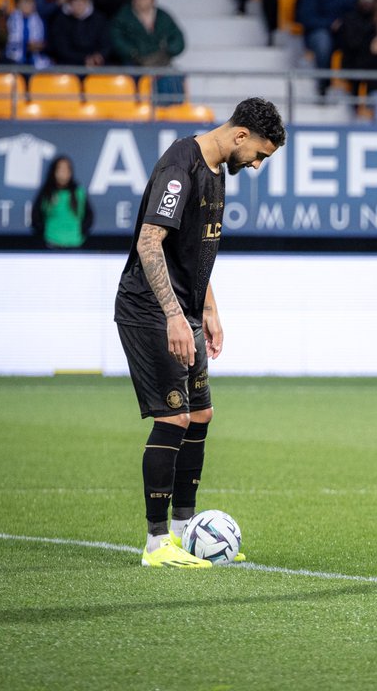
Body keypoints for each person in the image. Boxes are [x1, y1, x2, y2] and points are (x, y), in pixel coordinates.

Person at [114, 98, 286, 569]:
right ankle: (155, 544)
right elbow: (151, 242)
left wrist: (208, 308)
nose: (255, 166)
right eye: (259, 156)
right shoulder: (180, 165)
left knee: (202, 414)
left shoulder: (215, 169)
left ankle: (186, 530)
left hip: (184, 308)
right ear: (240, 136)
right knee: (174, 419)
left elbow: (194, 249)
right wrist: (173, 315)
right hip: (149, 307)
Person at [110, 0, 186, 103]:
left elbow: (177, 38)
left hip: (162, 63)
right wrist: (132, 53)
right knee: (131, 82)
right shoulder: (124, 16)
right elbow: (116, 38)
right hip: (134, 63)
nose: (138, 0)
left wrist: (169, 51)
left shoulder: (163, 16)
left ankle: (171, 111)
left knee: (174, 77)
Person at [32, 155, 94, 249]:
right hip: (51, 243)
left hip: (75, 242)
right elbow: (36, 216)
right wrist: (44, 234)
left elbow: (89, 216)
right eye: (60, 169)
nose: (64, 172)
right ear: (54, 171)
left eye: (66, 169)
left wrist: (81, 231)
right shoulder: (47, 192)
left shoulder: (78, 192)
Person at [48, 0, 112, 68]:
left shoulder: (99, 19)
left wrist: (99, 56)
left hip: (96, 63)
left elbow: (106, 43)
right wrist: (85, 58)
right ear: (69, 4)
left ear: (87, 2)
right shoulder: (60, 21)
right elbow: (61, 48)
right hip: (69, 64)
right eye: (75, 2)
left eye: (81, 1)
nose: (78, 5)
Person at [5, 0, 52, 68]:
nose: (30, 5)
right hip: (13, 58)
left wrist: (39, 45)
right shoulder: (10, 20)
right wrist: (26, 45)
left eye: (31, 2)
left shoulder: (40, 21)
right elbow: (7, 40)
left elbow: (45, 42)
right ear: (18, 5)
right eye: (26, 2)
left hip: (35, 57)